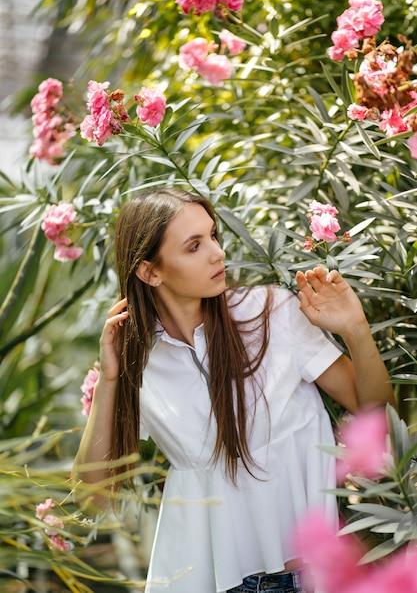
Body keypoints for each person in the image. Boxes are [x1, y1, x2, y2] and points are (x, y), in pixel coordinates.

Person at [73, 187, 394, 593]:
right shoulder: (138, 361)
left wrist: (357, 330)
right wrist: (111, 379)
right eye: (194, 246)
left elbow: (377, 414)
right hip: (204, 582)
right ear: (150, 272)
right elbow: (92, 497)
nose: (217, 253)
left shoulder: (271, 313)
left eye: (213, 237)